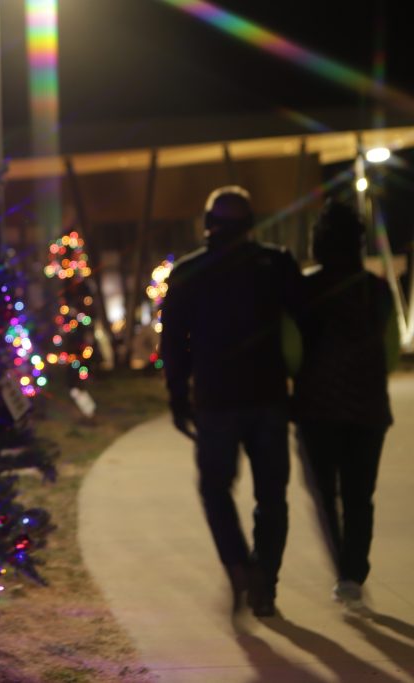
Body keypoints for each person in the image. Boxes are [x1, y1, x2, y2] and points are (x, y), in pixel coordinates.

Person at [160, 186, 301, 617]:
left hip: (216, 401)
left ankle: (239, 567)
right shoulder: (277, 265)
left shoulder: (187, 272)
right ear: (251, 224)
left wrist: (178, 395)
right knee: (272, 496)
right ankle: (266, 583)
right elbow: (304, 326)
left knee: (215, 489)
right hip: (270, 397)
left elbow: (173, 344)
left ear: (207, 225)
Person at [293, 200, 399, 608]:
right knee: (359, 494)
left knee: (326, 493)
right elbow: (389, 348)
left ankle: (344, 568)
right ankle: (353, 572)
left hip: (316, 408)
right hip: (368, 408)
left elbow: (291, 348)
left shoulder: (304, 288)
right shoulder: (376, 289)